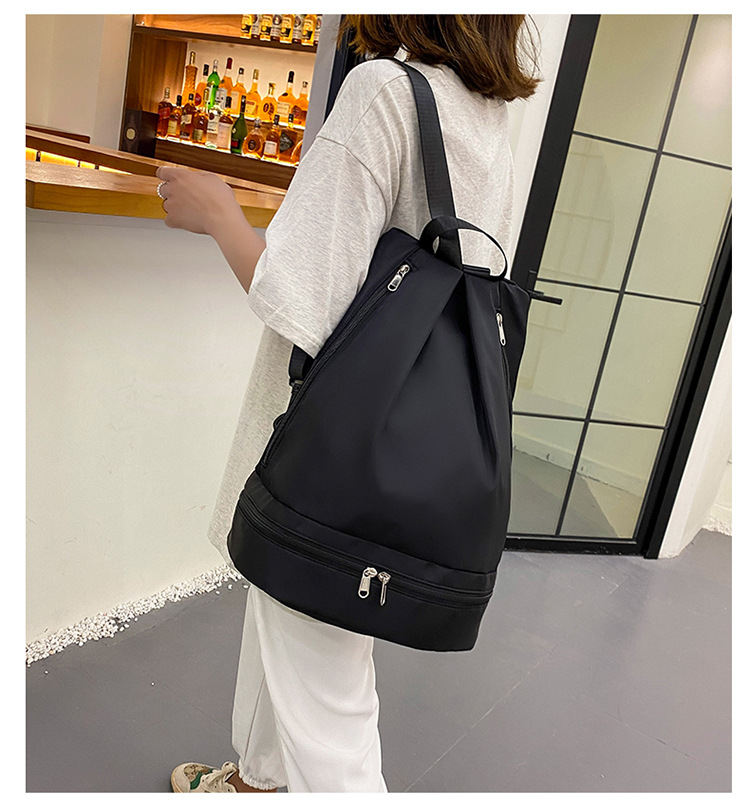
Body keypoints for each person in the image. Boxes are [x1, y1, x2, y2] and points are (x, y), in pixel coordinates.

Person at [160, 14, 539, 794]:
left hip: (329, 447)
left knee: (329, 710)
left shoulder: (382, 93)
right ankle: (256, 782)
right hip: (397, 455)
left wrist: (217, 213)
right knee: (292, 601)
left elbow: (303, 302)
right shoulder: (488, 114)